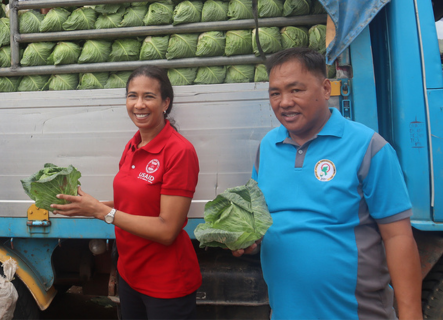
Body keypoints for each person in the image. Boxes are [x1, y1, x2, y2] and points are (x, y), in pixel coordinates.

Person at [235, 48, 422, 319]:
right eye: (275, 93)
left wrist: (411, 315)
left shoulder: (368, 146)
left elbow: (398, 237)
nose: (284, 102)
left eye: (295, 90)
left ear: (325, 89)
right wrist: (250, 241)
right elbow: (261, 224)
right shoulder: (267, 147)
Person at [51, 65, 201, 319]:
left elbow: (167, 230)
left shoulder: (179, 152)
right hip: (130, 275)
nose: (139, 104)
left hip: (166, 283)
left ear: (166, 102)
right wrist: (87, 206)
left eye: (148, 96)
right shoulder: (133, 145)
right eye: (132, 96)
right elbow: (128, 202)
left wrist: (101, 212)